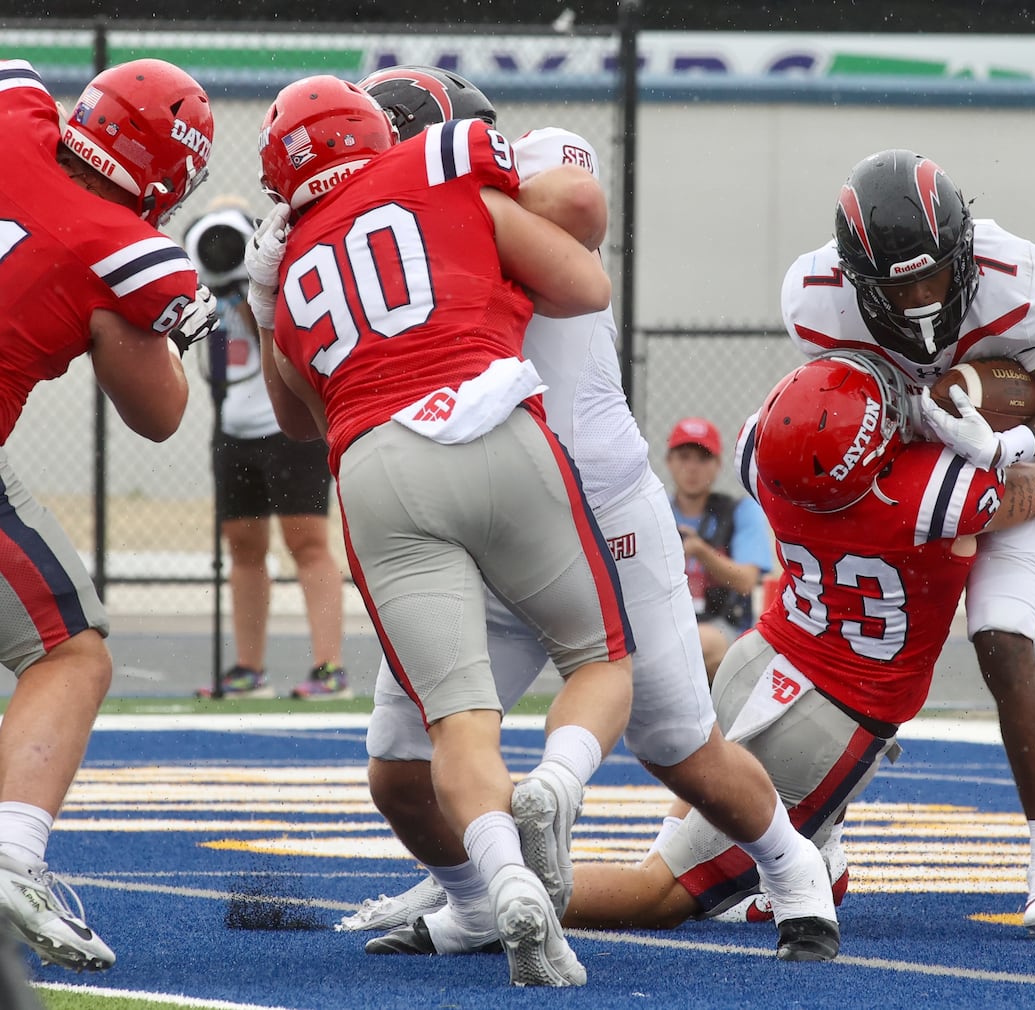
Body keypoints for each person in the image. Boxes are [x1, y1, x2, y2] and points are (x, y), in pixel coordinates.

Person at [336, 66, 839, 966]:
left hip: (595, 501)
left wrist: (449, 188)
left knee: (679, 743)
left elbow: (582, 202)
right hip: (470, 508)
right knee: (401, 768)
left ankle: (795, 873)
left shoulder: (513, 168)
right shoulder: (361, 234)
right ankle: (482, 900)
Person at [250, 74, 631, 987]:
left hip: (376, 467)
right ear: (373, 132)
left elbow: (299, 420)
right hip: (489, 415)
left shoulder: (292, 268)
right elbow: (585, 282)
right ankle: (557, 789)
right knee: (601, 659)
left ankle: (502, 882)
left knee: (460, 729)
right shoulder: (438, 162)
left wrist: (268, 309)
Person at [551, 352, 1035, 934]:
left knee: (699, 811)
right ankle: (498, 890)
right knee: (656, 893)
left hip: (754, 661)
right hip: (824, 724)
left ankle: (820, 852)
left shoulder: (759, 456)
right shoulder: (934, 497)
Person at [781, 148, 1035, 930]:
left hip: (1004, 460)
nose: (924, 301)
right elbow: (837, 414)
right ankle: (819, 836)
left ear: (964, 252)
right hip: (902, 472)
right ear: (857, 279)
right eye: (900, 287)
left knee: (1003, 640)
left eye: (934, 278)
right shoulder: (815, 299)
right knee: (860, 656)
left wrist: (1008, 447)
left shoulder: (1014, 278)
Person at [0, 57, 216, 971]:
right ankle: (10, 857)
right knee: (68, 650)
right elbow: (161, 416)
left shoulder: (15, 111)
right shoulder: (123, 248)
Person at [183, 200, 346, 701]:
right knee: (244, 549)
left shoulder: (275, 275)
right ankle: (249, 670)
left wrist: (254, 282)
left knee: (308, 544)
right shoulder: (204, 281)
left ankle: (329, 669)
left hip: (289, 426)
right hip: (232, 427)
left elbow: (282, 334)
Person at [664, 416, 773, 681]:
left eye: (702, 459)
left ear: (717, 466)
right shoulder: (655, 513)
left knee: (697, 643)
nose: (692, 467)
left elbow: (746, 581)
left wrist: (700, 550)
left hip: (725, 626)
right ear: (669, 461)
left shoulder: (740, 512)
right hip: (665, 625)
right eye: (684, 457)